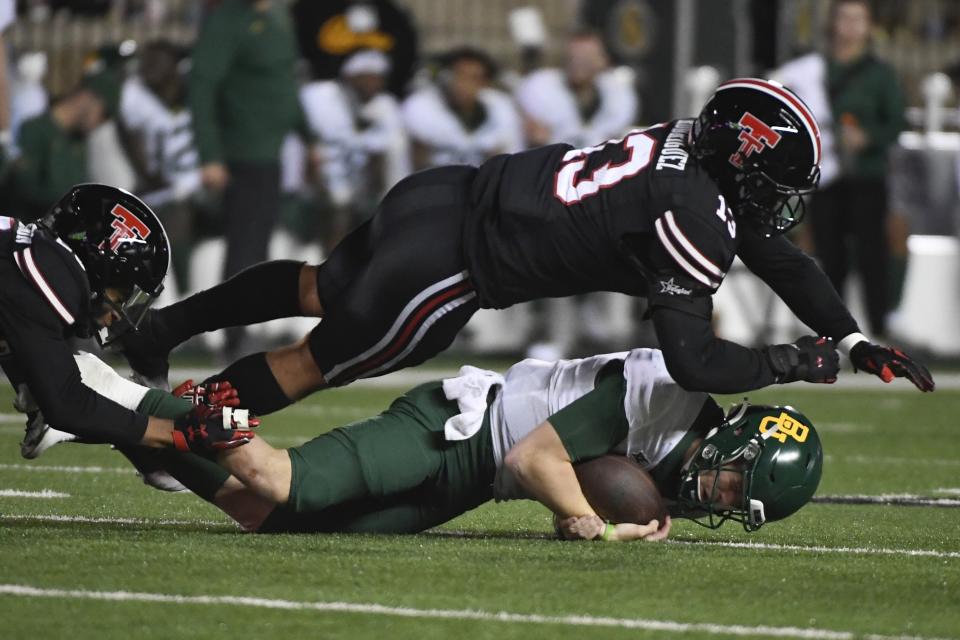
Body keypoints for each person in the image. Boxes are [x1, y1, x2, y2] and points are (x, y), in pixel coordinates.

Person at [115, 78, 935, 423]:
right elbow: (690, 361)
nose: (781, 204)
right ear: (745, 162)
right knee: (310, 363)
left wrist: (851, 336)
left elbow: (782, 258)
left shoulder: (685, 144)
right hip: (450, 271)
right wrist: (793, 362)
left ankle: (154, 335)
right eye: (777, 180)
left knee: (316, 285)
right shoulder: (695, 215)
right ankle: (148, 424)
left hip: (441, 193)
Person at [37, 347, 824, 539]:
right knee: (275, 480)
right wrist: (583, 520)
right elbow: (534, 459)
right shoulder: (658, 392)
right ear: (736, 440)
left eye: (731, 506)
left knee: (264, 517)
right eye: (730, 485)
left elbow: (557, 483)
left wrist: (599, 514)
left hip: (477, 477)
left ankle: (140, 440)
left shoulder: (686, 454)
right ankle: (105, 391)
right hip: (458, 431)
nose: (714, 499)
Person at [0, 183, 255, 459]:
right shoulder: (41, 282)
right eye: (121, 294)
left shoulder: (27, 254)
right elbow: (67, 405)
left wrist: (163, 407)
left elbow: (58, 404)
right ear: (98, 264)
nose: (117, 313)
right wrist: (178, 428)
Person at [189, 0, 313, 358]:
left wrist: (310, 137)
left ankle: (244, 328)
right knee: (243, 247)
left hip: (273, 151)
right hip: (241, 150)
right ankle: (233, 334)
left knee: (257, 246)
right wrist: (210, 154)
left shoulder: (275, 18)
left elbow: (285, 85)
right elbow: (203, 84)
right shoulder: (227, 20)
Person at [514, 29, 639, 357]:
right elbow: (536, 138)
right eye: (573, 57)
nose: (578, 64)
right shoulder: (541, 88)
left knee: (622, 245)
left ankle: (605, 327)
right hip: (554, 189)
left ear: (604, 62)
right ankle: (559, 336)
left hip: (603, 194)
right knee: (559, 255)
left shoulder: (619, 95)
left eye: (587, 57)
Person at [808, 0, 907, 337]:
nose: (851, 26)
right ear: (833, 23)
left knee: (871, 255)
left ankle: (877, 330)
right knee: (829, 256)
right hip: (826, 177)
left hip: (866, 176)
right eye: (845, 18)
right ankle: (834, 331)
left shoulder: (879, 74)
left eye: (858, 19)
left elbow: (895, 122)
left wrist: (867, 137)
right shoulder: (815, 69)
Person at [300, 48, 410, 251]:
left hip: (361, 182)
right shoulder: (320, 96)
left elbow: (387, 153)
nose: (371, 84)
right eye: (365, 77)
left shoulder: (385, 106)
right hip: (319, 177)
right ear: (349, 76)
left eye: (377, 78)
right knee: (337, 198)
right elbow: (304, 138)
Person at [119, 39, 202, 292]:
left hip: (202, 181)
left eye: (157, 61)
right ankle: (184, 293)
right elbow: (139, 157)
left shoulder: (195, 88)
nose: (149, 67)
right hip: (163, 190)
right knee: (174, 214)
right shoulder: (135, 95)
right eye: (147, 61)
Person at [4, 69, 119, 221]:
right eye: (103, 114)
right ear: (89, 98)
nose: (100, 123)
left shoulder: (79, 143)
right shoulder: (32, 126)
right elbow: (22, 185)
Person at [402, 47, 523, 169]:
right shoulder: (421, 106)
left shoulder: (499, 108)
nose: (465, 84)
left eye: (473, 78)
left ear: (484, 83)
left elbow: (510, 159)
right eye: (460, 75)